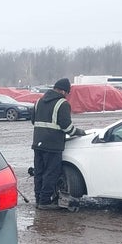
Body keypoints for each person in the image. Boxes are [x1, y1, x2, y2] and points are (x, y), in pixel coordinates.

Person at [31, 78, 86, 209]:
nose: (67, 95)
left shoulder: (39, 101)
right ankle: (45, 202)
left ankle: (38, 199)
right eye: (67, 93)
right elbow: (67, 127)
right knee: (51, 173)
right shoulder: (62, 104)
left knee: (39, 172)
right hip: (53, 145)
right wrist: (79, 132)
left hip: (37, 143)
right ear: (62, 91)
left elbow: (33, 121)